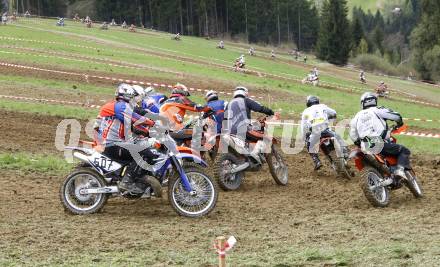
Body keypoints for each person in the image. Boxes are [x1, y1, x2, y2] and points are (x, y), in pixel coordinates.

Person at [95, 83, 158, 194]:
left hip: (114, 143)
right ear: (127, 95)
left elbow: (132, 126)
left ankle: (137, 180)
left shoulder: (118, 105)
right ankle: (127, 182)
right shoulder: (121, 106)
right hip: (114, 145)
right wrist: (151, 122)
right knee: (145, 153)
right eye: (132, 95)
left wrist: (148, 132)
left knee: (145, 151)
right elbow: (135, 118)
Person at [349, 92, 408, 178]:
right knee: (404, 150)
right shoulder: (378, 109)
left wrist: (358, 143)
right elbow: (396, 116)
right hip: (378, 142)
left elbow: (353, 135)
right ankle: (399, 170)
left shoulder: (356, 117)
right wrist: (400, 123)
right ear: (374, 101)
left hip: (365, 145)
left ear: (362, 103)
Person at [301, 96, 346, 170]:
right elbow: (334, 113)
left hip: (315, 133)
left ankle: (317, 161)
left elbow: (303, 126)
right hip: (325, 130)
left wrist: (304, 137)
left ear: (308, 103)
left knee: (309, 145)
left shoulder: (305, 111)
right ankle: (345, 150)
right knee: (337, 136)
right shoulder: (323, 106)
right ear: (317, 101)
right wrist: (330, 116)